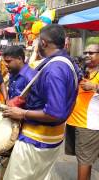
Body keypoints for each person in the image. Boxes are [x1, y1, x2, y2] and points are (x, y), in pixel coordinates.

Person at [2, 24, 79, 180]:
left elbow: (54, 112)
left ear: (43, 43)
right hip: (52, 137)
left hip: (37, 140)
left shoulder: (55, 69)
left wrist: (22, 113)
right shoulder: (68, 63)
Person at [65, 44, 99, 180]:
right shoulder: (83, 70)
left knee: (84, 161)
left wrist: (95, 86)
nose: (87, 55)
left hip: (89, 124)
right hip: (75, 121)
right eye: (85, 52)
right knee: (84, 159)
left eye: (91, 53)